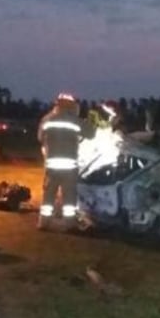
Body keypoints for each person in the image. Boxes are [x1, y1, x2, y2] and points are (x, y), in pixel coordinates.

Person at [37, 92, 90, 230]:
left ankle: (43, 223)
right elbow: (91, 133)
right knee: (69, 198)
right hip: (69, 166)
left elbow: (40, 137)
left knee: (48, 196)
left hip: (51, 165)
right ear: (72, 106)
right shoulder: (74, 120)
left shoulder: (47, 119)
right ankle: (69, 224)